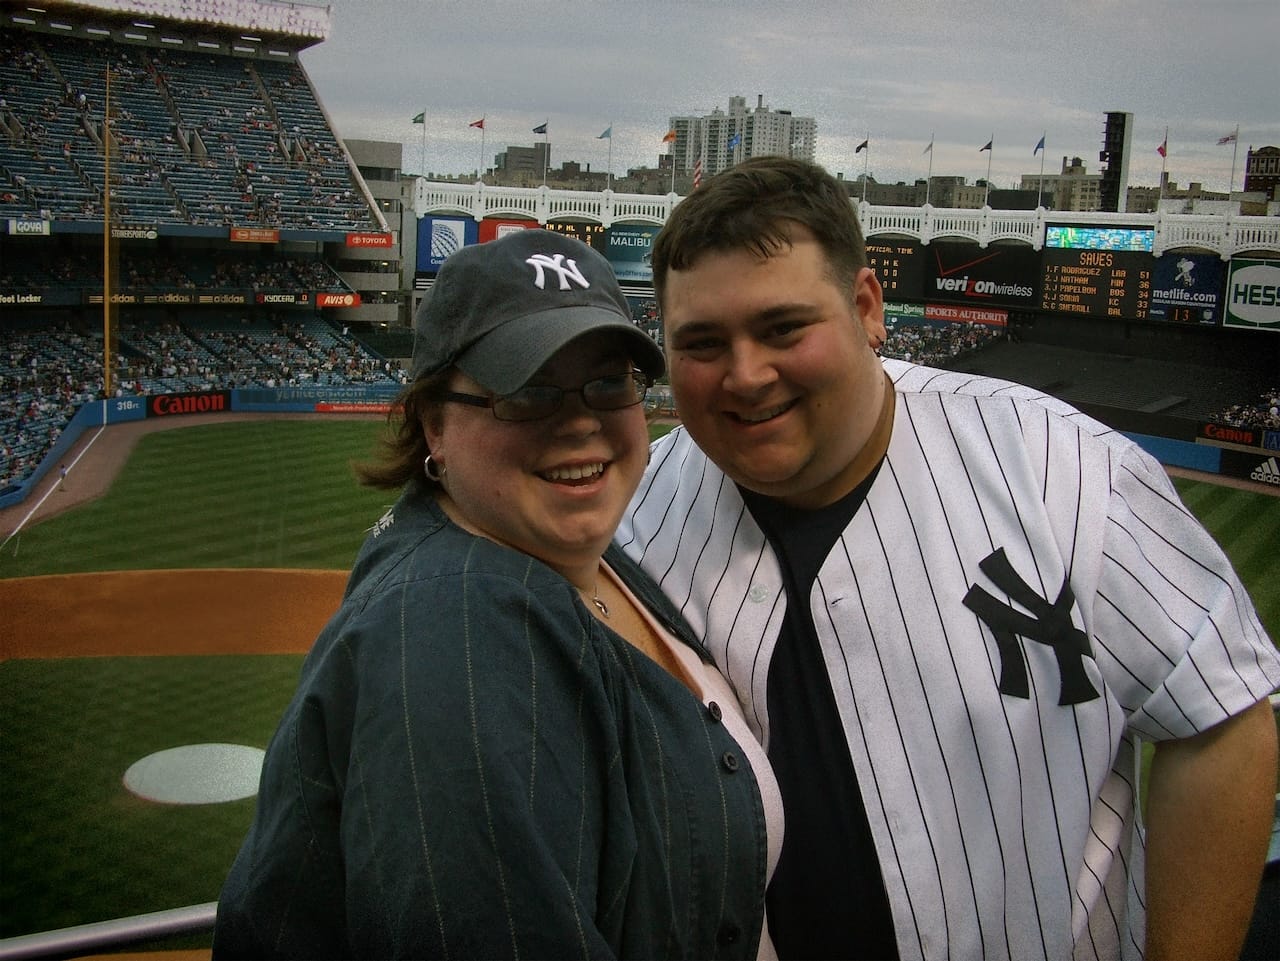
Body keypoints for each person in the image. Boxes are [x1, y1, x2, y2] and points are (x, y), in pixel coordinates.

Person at [616, 157, 1279, 961]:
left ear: (866, 308)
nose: (747, 373)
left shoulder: (1064, 469)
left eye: (784, 327)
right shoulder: (632, 519)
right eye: (703, 342)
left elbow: (1220, 722)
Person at [214, 229, 782, 959]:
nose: (579, 420)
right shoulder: (449, 628)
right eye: (525, 392)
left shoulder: (580, 556)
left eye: (607, 382)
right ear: (434, 423)